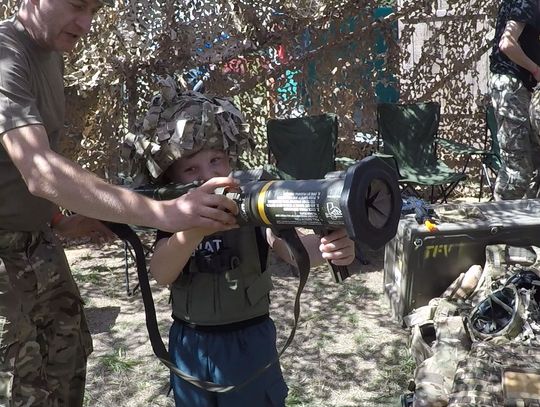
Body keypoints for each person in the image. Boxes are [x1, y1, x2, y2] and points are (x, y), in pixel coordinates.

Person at [0, 1, 239, 406]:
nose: (86, 23)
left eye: (94, 10)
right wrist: (163, 213)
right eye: (78, 5)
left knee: (65, 362)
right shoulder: (6, 56)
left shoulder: (50, 55)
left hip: (37, 243)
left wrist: (60, 220)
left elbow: (18, 168)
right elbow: (40, 171)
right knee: (19, 383)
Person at [135, 87, 355, 406]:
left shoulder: (251, 202)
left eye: (215, 161)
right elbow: (162, 272)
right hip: (191, 343)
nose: (207, 176)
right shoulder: (174, 211)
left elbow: (288, 249)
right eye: (191, 169)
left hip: (249, 343)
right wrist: (193, 229)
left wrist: (329, 248)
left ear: (229, 161)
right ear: (174, 176)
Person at [489, 0, 540, 200]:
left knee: (536, 162)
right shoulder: (524, 2)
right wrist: (535, 69)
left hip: (525, 88)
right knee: (517, 167)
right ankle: (501, 226)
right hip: (510, 86)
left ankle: (531, 227)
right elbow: (507, 44)